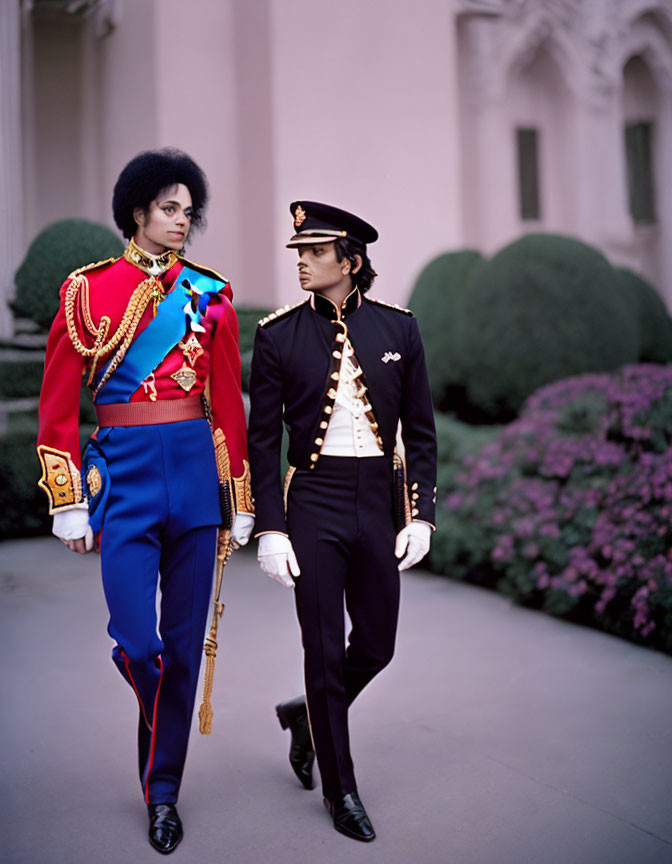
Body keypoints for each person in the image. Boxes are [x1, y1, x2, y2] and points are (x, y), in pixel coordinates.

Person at [36, 149, 254, 854]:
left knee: (186, 650)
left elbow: (228, 404)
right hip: (124, 482)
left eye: (189, 211)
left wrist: (239, 493)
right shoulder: (85, 293)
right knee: (141, 645)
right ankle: (157, 723)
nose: (182, 221)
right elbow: (58, 406)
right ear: (137, 211)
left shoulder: (210, 295)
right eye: (169, 208)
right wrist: (67, 501)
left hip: (194, 480)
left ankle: (163, 793)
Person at [247, 201, 437, 842]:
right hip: (315, 503)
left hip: (377, 503)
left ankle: (306, 720)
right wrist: (269, 525)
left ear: (351, 261)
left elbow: (422, 434)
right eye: (298, 251)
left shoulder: (399, 329)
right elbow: (261, 442)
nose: (301, 261)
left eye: (316, 252)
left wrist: (420, 516)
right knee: (323, 652)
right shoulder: (277, 335)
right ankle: (341, 790)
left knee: (377, 644)